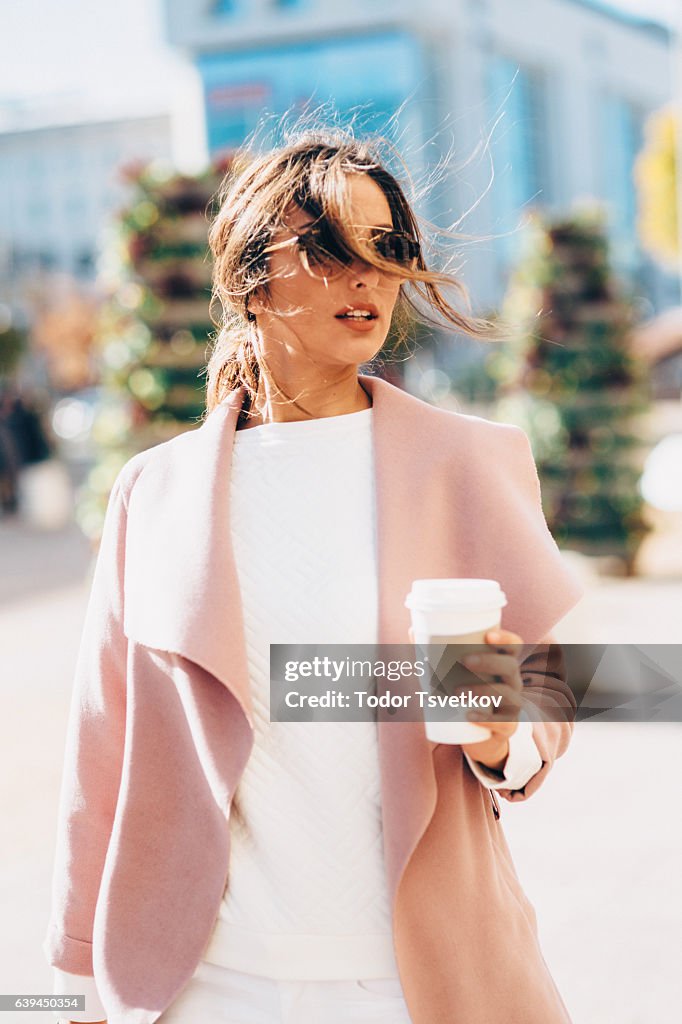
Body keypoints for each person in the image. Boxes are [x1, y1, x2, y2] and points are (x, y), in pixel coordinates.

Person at [45, 127, 584, 1024]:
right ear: (252, 277)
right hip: (206, 985)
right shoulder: (159, 491)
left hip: (414, 981)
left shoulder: (469, 464)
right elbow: (103, 749)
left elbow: (544, 702)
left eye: (387, 250)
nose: (367, 277)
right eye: (332, 251)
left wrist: (499, 730)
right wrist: (67, 988)